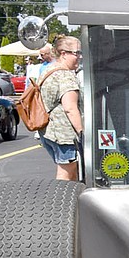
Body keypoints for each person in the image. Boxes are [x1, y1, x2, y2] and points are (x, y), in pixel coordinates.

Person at [37, 35, 84, 182]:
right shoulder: (65, 76)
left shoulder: (49, 70)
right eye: (77, 53)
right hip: (63, 135)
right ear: (63, 53)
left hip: (48, 132)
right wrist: (82, 132)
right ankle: (60, 204)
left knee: (72, 174)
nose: (80, 57)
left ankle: (74, 203)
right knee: (65, 174)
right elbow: (70, 108)